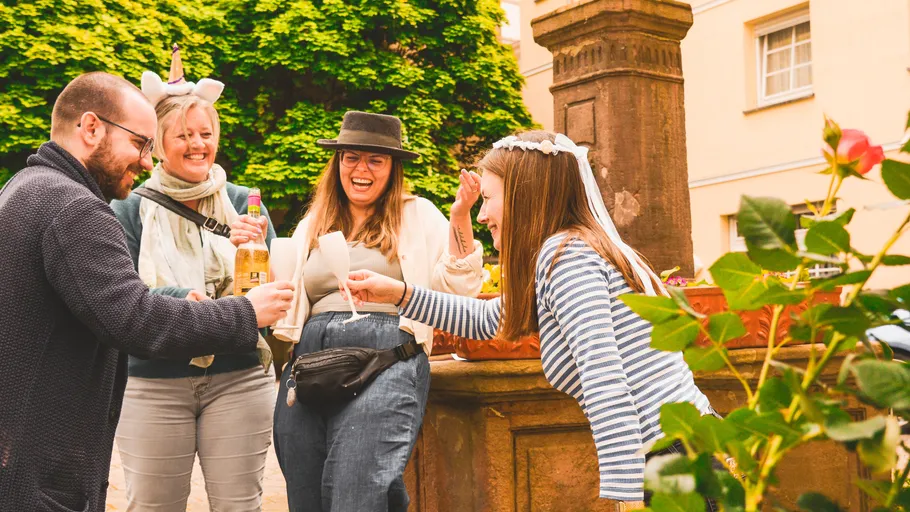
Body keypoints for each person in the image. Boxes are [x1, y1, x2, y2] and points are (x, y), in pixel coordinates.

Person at [345, 131, 720, 511]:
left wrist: (627, 496)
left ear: (523, 195)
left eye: (488, 198)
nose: (481, 215)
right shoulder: (568, 250)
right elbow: (488, 318)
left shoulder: (568, 259)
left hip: (675, 463)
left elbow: (604, 379)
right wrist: (397, 293)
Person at [0, 71, 294, 512]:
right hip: (38, 465)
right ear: (91, 127)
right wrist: (245, 312)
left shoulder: (24, 187)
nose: (144, 162)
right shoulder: (76, 209)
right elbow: (135, 318)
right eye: (140, 143)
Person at [271, 110, 484, 511]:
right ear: (337, 163)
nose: (361, 169)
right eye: (351, 157)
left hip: (387, 358)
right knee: (305, 494)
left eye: (375, 159)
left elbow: (460, 287)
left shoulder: (417, 213)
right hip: (311, 364)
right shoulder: (314, 222)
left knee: (357, 490)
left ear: (393, 168)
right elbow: (285, 293)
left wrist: (460, 216)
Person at [109, 48, 278, 510]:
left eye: (206, 133)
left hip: (239, 377)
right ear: (158, 144)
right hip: (152, 381)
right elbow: (122, 297)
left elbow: (274, 297)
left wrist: (253, 253)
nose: (197, 144)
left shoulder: (246, 204)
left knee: (239, 505)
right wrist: (182, 299)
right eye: (183, 135)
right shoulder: (127, 207)